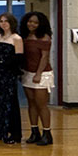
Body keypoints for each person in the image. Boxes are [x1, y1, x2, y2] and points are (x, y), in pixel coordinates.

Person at [20, 11, 55, 146]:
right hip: (27, 72)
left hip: (42, 74)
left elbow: (44, 57)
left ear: (40, 24)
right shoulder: (25, 36)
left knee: (41, 105)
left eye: (35, 22)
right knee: (31, 103)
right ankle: (35, 131)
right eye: (30, 21)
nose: (32, 24)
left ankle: (47, 133)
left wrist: (39, 74)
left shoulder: (44, 37)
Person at [0, 13, 24, 144]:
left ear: (11, 23)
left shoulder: (16, 38)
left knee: (9, 102)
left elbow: (18, 58)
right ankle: (0, 130)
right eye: (1, 21)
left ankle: (13, 133)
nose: (3, 24)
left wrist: (2, 64)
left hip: (9, 75)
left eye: (6, 21)